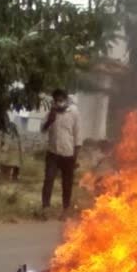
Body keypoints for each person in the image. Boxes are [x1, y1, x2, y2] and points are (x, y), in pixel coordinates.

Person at [40, 89, 81, 219]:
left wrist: (76, 155)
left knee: (67, 183)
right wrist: (50, 120)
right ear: (54, 101)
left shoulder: (74, 112)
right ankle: (45, 208)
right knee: (48, 180)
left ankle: (66, 209)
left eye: (61, 99)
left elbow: (77, 134)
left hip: (68, 154)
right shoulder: (51, 113)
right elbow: (42, 129)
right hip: (53, 153)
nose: (59, 102)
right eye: (56, 100)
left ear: (66, 99)